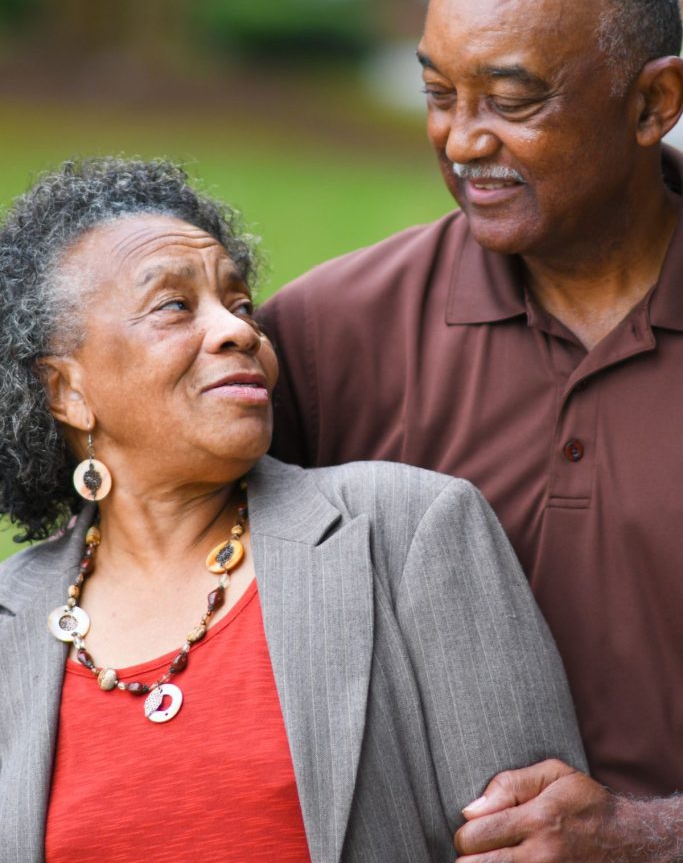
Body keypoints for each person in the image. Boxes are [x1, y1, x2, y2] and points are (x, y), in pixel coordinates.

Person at [0, 157, 583, 863]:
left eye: (241, 306)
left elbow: (538, 844)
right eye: (174, 306)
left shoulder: (410, 533)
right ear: (66, 391)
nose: (239, 332)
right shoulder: (12, 622)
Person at [258, 0, 683, 860]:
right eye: (438, 93)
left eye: (512, 98)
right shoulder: (326, 338)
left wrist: (647, 835)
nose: (461, 140)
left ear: (653, 103)